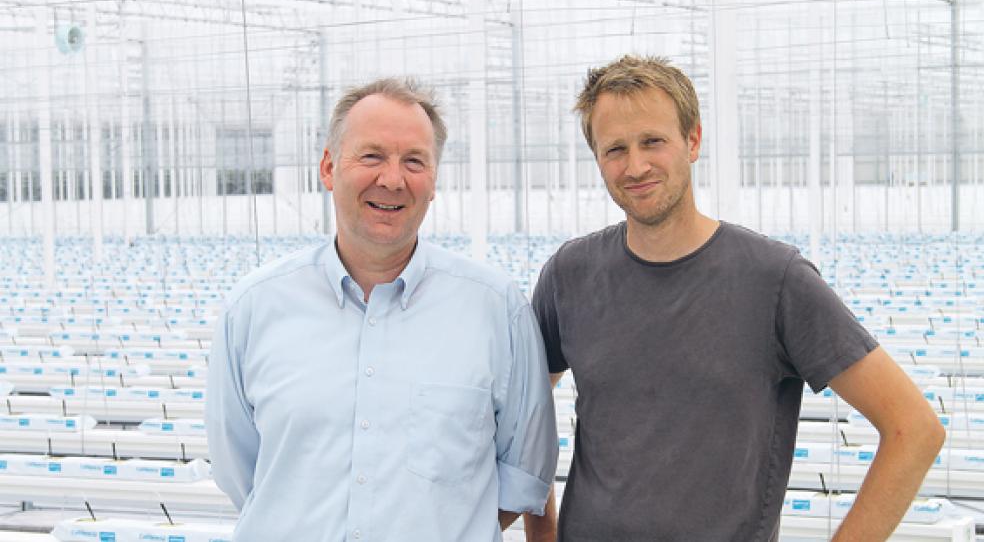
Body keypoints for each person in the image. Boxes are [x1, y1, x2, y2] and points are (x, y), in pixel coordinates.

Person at [531, 55, 945, 541]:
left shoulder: (775, 280)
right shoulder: (570, 275)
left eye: (653, 142)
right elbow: (526, 414)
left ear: (693, 141)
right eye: (615, 149)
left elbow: (914, 429)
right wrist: (542, 534)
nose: (635, 165)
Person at [206, 78, 558, 541]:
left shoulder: (496, 310)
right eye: (371, 156)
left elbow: (522, 475)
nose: (392, 179)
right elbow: (245, 474)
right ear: (329, 168)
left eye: (414, 161)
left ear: (433, 183)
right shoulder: (253, 309)